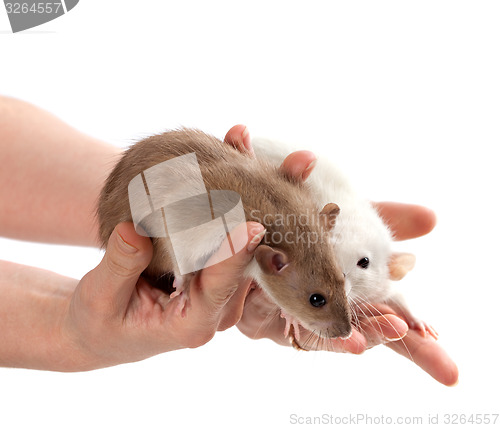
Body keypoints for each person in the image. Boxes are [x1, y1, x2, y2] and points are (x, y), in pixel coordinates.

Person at [0, 96, 458, 385]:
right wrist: (67, 329)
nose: (339, 322)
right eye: (319, 300)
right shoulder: (260, 243)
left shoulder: (288, 227)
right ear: (276, 263)